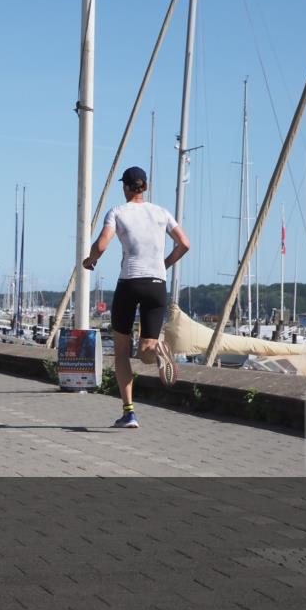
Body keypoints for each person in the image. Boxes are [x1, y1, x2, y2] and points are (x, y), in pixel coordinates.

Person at [83, 166, 190, 429]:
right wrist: (164, 265)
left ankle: (129, 412)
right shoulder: (162, 212)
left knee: (122, 352)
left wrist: (90, 260)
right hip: (156, 284)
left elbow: (101, 245)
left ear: (125, 187)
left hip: (129, 283)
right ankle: (158, 349)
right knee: (145, 351)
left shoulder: (118, 212)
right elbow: (184, 244)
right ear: (146, 187)